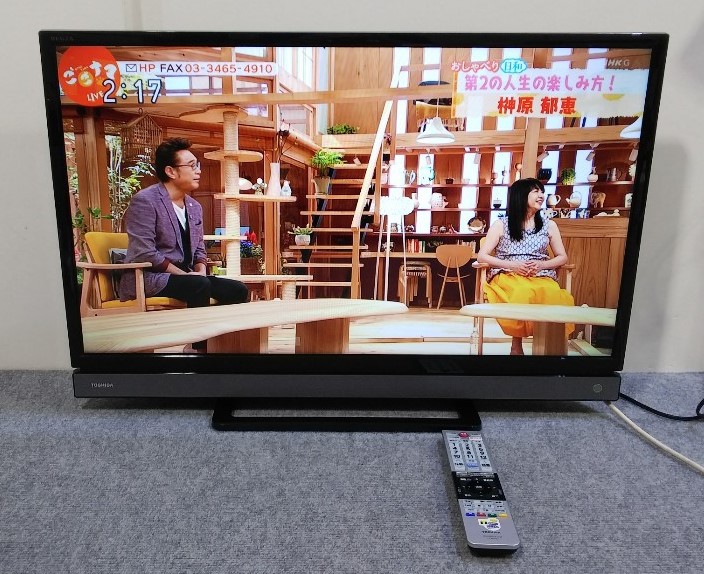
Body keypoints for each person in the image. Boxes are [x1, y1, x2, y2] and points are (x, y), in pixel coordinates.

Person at [119, 137, 249, 348]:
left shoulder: (194, 206)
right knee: (198, 285)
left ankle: (221, 346)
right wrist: (186, 275)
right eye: (192, 165)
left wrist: (200, 270)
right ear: (171, 171)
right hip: (150, 277)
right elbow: (144, 252)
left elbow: (199, 249)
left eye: (197, 165)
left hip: (189, 277)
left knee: (238, 290)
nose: (198, 171)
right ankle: (198, 348)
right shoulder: (145, 201)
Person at [477, 178, 574, 355]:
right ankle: (516, 344)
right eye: (536, 191)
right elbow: (482, 256)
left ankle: (549, 346)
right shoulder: (501, 224)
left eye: (542, 191)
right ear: (521, 196)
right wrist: (513, 265)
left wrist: (542, 264)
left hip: (540, 274)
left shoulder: (549, 225)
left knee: (552, 293)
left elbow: (563, 257)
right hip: (508, 273)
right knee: (522, 291)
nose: (541, 195)